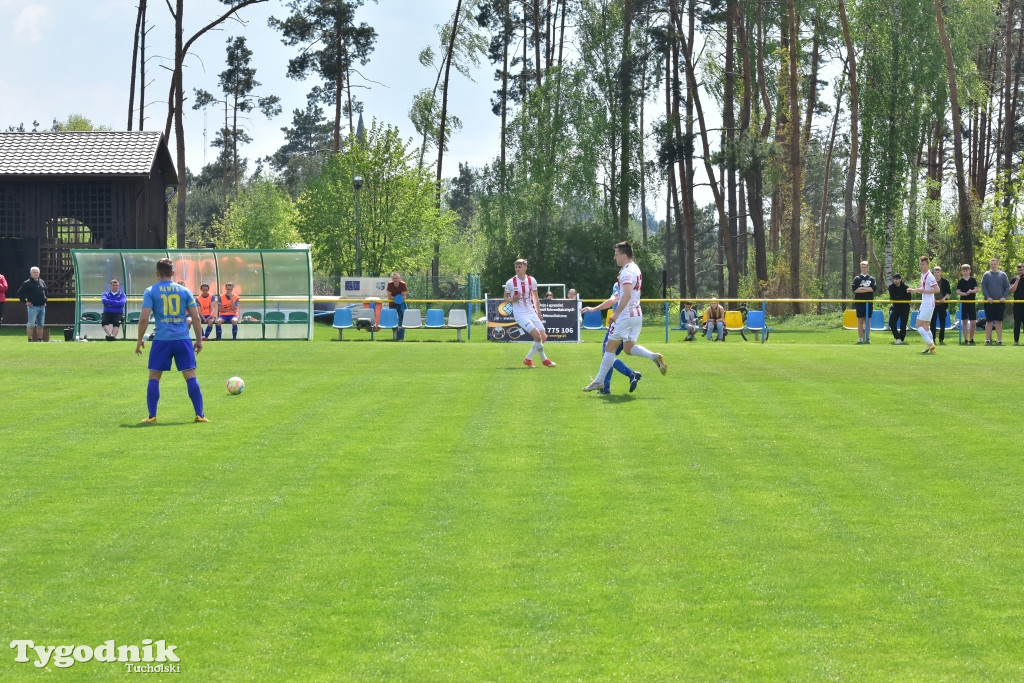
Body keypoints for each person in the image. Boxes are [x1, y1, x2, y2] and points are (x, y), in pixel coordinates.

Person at [583, 241, 667, 392]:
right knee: (628, 348)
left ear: (623, 255)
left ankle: (600, 381)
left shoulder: (627, 271)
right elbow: (622, 296)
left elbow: (626, 294)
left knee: (609, 349)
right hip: (637, 314)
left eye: (616, 255)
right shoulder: (635, 268)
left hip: (626, 314)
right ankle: (652, 356)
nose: (614, 258)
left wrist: (616, 314)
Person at [135, 258, 207, 424]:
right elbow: (195, 317)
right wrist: (199, 340)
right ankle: (200, 415)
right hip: (182, 338)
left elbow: (144, 318)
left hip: (162, 339)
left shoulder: (150, 291)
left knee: (154, 375)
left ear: (157, 274)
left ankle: (152, 416)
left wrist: (140, 339)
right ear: (173, 273)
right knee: (190, 375)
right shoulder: (184, 291)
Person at [581, 282, 641, 393]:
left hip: (620, 323)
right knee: (609, 355)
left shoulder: (621, 283)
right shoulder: (633, 282)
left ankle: (631, 374)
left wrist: (594, 309)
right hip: (631, 322)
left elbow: (613, 300)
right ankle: (605, 388)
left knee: (607, 354)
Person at [503, 258, 555, 367]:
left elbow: (535, 297)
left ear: (525, 268)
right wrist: (513, 300)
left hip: (531, 311)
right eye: (516, 267)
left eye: (519, 266)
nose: (517, 269)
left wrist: (539, 313)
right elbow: (505, 298)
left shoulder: (532, 280)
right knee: (537, 336)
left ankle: (528, 359)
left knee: (543, 337)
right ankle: (544, 360)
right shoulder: (510, 282)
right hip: (520, 314)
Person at [909, 255, 940, 354]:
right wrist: (913, 290)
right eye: (920, 264)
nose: (921, 266)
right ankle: (932, 348)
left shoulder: (930, 276)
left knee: (918, 325)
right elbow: (922, 289)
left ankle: (930, 344)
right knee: (926, 325)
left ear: (927, 265)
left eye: (923, 264)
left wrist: (924, 291)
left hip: (927, 304)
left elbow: (937, 289)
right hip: (927, 304)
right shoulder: (923, 275)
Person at [981, 257, 1010, 345]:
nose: (993, 266)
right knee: (989, 321)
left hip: (1000, 302)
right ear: (990, 265)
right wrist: (988, 297)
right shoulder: (986, 275)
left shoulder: (1003, 275)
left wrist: (1004, 297)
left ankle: (999, 340)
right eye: (991, 264)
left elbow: (1007, 287)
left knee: (998, 321)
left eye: (994, 264)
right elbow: (984, 287)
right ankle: (987, 339)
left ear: (998, 264)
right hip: (989, 302)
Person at [17, 266, 47, 342]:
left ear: (39, 273)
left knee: (41, 324)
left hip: (42, 307)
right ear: (31, 273)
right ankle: (29, 340)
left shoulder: (42, 282)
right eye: (34, 272)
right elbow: (20, 293)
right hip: (33, 307)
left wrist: (45, 301)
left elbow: (45, 292)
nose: (36, 274)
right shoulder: (27, 283)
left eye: (37, 272)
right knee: (31, 324)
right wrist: (25, 302)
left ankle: (40, 340)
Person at [852, 260, 877, 343]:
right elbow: (855, 290)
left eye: (865, 267)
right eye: (862, 267)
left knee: (867, 320)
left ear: (867, 267)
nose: (863, 269)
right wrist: (867, 289)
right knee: (860, 320)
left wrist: (861, 288)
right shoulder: (857, 278)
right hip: (859, 302)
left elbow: (872, 289)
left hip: (868, 302)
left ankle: (867, 338)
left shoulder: (871, 279)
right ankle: (860, 338)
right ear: (860, 268)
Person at [956, 264, 979, 345]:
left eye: (967, 270)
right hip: (963, 303)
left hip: (972, 303)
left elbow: (976, 289)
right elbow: (957, 291)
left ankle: (971, 339)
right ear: (962, 272)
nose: (965, 272)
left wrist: (971, 291)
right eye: (964, 271)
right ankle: (965, 339)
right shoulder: (960, 281)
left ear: (970, 271)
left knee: (973, 322)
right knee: (964, 322)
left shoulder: (973, 280)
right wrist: (963, 293)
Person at [929, 266, 951, 344]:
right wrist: (932, 298)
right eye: (935, 272)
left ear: (941, 272)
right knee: (933, 322)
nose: (936, 274)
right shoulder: (931, 281)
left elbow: (948, 293)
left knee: (942, 321)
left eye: (938, 272)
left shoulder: (945, 281)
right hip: (933, 304)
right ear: (933, 273)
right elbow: (928, 291)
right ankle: (933, 339)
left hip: (942, 304)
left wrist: (944, 298)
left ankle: (941, 339)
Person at [887, 274, 910, 345]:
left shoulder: (906, 287)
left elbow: (908, 298)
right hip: (896, 307)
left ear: (900, 279)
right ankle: (897, 338)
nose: (895, 281)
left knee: (903, 324)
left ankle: (901, 339)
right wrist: (899, 297)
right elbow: (893, 297)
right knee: (891, 323)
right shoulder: (891, 287)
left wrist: (898, 297)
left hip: (905, 307)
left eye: (897, 279)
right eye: (894, 279)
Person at [386, 271, 409, 341]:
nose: (395, 280)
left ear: (399, 279)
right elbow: (389, 297)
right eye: (393, 278)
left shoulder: (403, 284)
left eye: (396, 278)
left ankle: (400, 338)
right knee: (393, 321)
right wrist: (398, 298)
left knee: (402, 320)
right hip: (392, 304)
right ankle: (395, 337)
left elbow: (404, 297)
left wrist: (397, 298)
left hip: (401, 305)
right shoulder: (390, 284)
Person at [1011, 263, 1024, 345]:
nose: (1020, 271)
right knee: (1017, 323)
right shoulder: (1014, 279)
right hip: (1017, 305)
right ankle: (1016, 341)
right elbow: (1012, 290)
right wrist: (1017, 280)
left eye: (1022, 270)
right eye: (1019, 270)